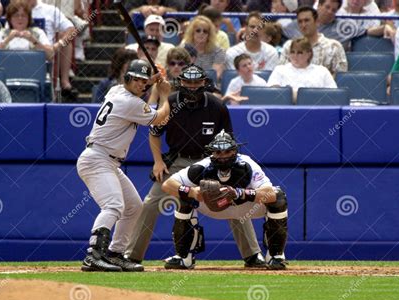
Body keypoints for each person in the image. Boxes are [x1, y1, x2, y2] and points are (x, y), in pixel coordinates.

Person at [125, 64, 266, 269]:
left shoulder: (217, 106)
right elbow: (154, 134)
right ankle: (132, 255)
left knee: (231, 197)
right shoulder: (171, 103)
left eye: (196, 82)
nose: (192, 86)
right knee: (151, 202)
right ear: (180, 82)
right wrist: (158, 161)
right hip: (177, 161)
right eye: (187, 82)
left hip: (211, 161)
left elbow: (228, 142)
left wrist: (225, 167)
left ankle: (253, 255)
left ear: (204, 83)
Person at [77, 59, 172, 272]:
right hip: (97, 159)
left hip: (106, 160)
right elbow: (160, 119)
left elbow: (142, 95)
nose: (139, 84)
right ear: (127, 79)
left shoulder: (115, 91)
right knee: (113, 205)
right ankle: (93, 255)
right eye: (135, 80)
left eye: (142, 81)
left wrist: (152, 81)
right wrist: (164, 92)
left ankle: (115, 253)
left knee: (134, 207)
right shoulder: (131, 103)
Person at [161, 130, 289, 270]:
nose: (222, 157)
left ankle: (275, 256)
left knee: (279, 197)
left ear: (234, 151)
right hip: (213, 207)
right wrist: (192, 192)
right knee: (184, 197)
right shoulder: (202, 166)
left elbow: (270, 193)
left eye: (227, 152)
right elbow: (167, 185)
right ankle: (184, 257)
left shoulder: (247, 163)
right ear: (212, 152)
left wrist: (239, 193)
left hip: (245, 206)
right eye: (218, 152)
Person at [28, 0, 78, 101]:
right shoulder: (15, 11)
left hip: (44, 58)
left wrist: (57, 46)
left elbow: (71, 30)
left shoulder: (50, 10)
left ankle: (63, 82)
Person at [280, 6, 347, 76]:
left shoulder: (334, 46)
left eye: (307, 20)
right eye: (300, 21)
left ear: (317, 22)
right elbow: (282, 73)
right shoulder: (289, 46)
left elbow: (341, 77)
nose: (303, 25)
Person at [268, 37, 337, 102]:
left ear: (309, 54)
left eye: (299, 53)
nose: (295, 56)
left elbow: (333, 95)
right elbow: (272, 92)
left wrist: (297, 96)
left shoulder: (322, 71)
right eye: (292, 52)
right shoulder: (280, 70)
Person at [182, 15, 226, 80]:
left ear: (209, 35)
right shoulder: (183, 50)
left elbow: (215, 75)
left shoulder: (218, 51)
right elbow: (180, 72)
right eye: (198, 30)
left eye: (205, 31)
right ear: (192, 33)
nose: (201, 33)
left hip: (209, 86)